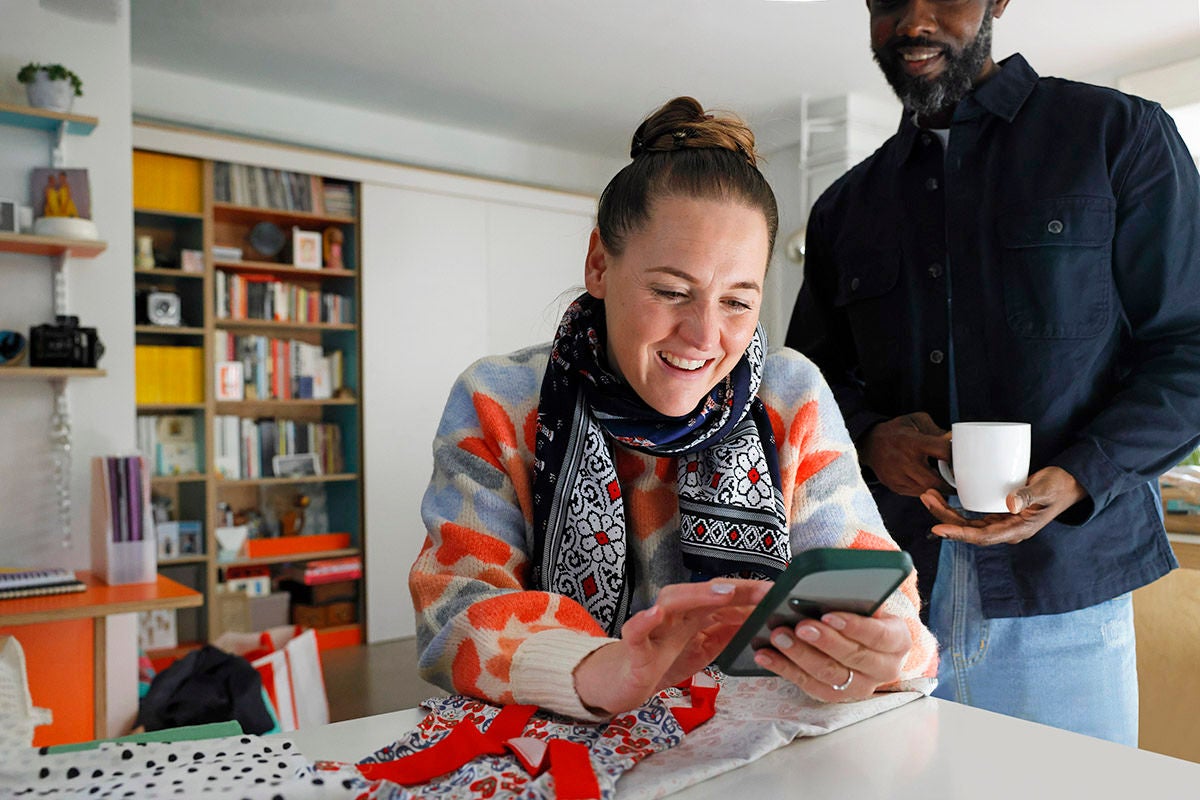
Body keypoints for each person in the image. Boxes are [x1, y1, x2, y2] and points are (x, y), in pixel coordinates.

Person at [410, 97, 938, 721]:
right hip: (558, 746)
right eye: (671, 292)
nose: (703, 336)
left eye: (738, 303)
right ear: (600, 266)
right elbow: (457, 608)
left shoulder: (789, 392)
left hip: (753, 746)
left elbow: (876, 589)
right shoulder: (498, 399)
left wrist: (881, 653)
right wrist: (593, 670)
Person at [786, 0, 1200, 746]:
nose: (912, 19)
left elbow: (1191, 346)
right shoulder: (844, 208)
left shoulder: (1119, 138)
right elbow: (806, 391)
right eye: (886, 1)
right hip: (884, 602)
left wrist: (1080, 475)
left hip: (1065, 606)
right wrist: (875, 437)